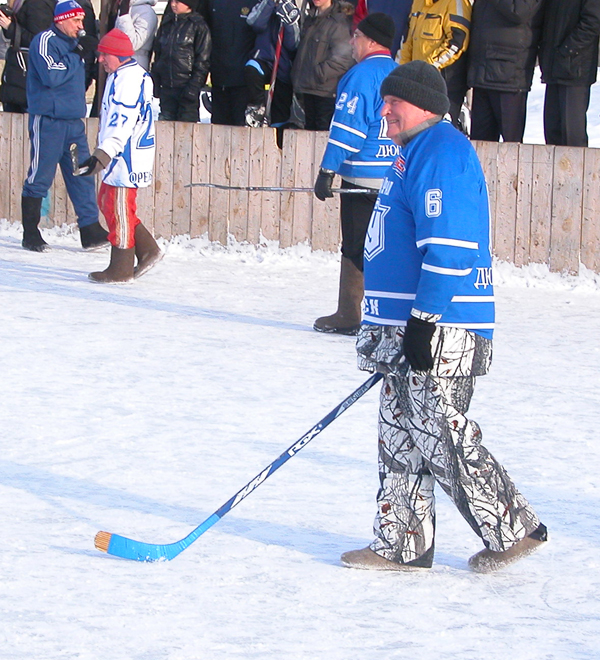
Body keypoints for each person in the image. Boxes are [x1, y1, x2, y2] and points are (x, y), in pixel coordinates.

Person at [340, 60, 548, 573]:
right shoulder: (411, 153)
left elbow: (451, 248)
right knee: (400, 435)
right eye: (383, 101)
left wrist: (423, 321)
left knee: (441, 433)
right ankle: (401, 544)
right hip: (410, 327)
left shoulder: (443, 151)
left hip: (443, 326)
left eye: (395, 102)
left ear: (427, 106)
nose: (384, 109)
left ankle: (513, 529)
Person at [313, 12, 397, 335]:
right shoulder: (399, 73)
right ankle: (389, 315)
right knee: (387, 245)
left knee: (356, 245)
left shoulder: (360, 77)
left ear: (371, 40)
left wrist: (327, 170)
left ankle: (350, 313)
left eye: (357, 36)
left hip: (361, 178)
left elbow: (347, 130)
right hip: (393, 177)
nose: (352, 42)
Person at [20, 0, 108, 252]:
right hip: (48, 122)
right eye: (75, 21)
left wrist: (83, 54)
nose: (80, 26)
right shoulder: (45, 40)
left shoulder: (74, 44)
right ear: (61, 20)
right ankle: (30, 231)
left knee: (81, 174)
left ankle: (90, 228)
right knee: (40, 176)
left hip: (73, 123)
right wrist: (76, 53)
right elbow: (52, 75)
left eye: (82, 21)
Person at [75, 28, 162, 283]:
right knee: (107, 200)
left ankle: (121, 266)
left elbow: (122, 122)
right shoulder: (123, 74)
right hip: (120, 152)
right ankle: (148, 249)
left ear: (119, 55)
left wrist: (103, 153)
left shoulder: (128, 80)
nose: (100, 59)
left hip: (126, 154)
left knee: (118, 207)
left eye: (105, 55)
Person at [467, 0, 544, 142]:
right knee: (480, 143)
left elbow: (520, 12)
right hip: (482, 70)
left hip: (509, 74)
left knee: (511, 146)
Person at [399, 0, 471, 129]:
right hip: (418, 81)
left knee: (440, 131)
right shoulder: (418, 3)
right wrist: (404, 71)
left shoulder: (456, 2)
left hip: (445, 82)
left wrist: (429, 68)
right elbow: (408, 41)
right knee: (415, 130)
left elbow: (457, 43)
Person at [539, 0, 600, 148]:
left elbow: (592, 22)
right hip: (553, 66)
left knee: (572, 134)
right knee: (552, 131)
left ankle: (578, 171)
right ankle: (554, 171)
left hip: (575, 69)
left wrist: (568, 50)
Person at [291, 0, 354, 131]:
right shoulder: (311, 18)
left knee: (322, 134)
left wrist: (318, 73)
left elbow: (343, 59)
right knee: (308, 134)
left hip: (325, 91)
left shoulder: (338, 23)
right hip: (308, 87)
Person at [244, 0, 300, 129]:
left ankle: (278, 139)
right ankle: (257, 108)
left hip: (283, 66)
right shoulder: (262, 4)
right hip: (263, 58)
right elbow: (256, 24)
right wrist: (270, 4)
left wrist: (289, 23)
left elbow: (293, 45)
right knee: (252, 68)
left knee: (280, 114)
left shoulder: (294, 7)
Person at [151, 0, 211, 122]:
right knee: (165, 128)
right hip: (167, 88)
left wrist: (193, 88)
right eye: (172, 1)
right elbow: (158, 55)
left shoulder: (198, 26)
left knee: (186, 130)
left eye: (178, 2)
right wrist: (156, 80)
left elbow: (203, 61)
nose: (173, 4)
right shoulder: (167, 23)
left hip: (186, 87)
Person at [206, 0, 259, 126]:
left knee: (240, 131)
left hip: (243, 80)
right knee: (219, 130)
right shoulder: (213, 3)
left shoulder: (255, 3)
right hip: (219, 77)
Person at [0, 0, 55, 113]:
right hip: (19, 74)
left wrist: (10, 27)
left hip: (25, 74)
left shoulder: (37, 4)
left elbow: (38, 40)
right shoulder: (23, 3)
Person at [115, 0, 159, 71]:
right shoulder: (126, 7)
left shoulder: (146, 12)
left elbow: (132, 44)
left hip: (136, 63)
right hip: (120, 63)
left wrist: (124, 16)